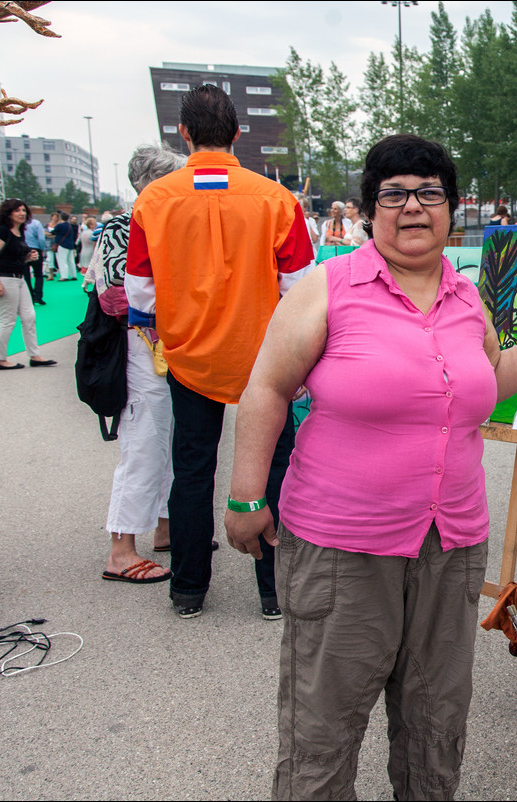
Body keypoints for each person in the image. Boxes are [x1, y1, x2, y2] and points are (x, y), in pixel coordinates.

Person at [224, 134, 517, 799]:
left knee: (434, 722)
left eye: (430, 193)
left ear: (452, 209)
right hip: (342, 549)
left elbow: (491, 383)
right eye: (394, 194)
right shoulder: (329, 287)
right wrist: (246, 497)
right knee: (323, 728)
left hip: (451, 550)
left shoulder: (468, 299)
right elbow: (267, 387)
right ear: (368, 209)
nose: (413, 207)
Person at [125, 84, 315, 620]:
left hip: (189, 357)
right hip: (264, 358)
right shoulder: (277, 200)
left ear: (182, 134)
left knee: (191, 470)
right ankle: (273, 591)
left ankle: (188, 589)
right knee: (275, 466)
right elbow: (297, 285)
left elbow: (139, 293)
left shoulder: (153, 201)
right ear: (237, 133)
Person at [91, 145, 188, 585]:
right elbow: (114, 294)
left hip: (172, 347)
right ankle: (121, 548)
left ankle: (166, 528)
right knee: (144, 441)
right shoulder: (123, 227)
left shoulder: (166, 221)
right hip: (141, 346)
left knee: (173, 436)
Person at [0, 198, 57, 370]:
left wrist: (27, 258)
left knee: (29, 317)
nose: (22, 213)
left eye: (23, 210)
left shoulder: (19, 231)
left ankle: (34, 355)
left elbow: (12, 257)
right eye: (17, 210)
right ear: (8, 213)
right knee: (7, 320)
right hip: (4, 279)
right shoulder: (1, 231)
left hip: (19, 278)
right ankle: (0, 359)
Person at [24, 212, 48, 305]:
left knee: (26, 275)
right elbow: (41, 238)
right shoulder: (36, 223)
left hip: (23, 250)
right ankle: (38, 296)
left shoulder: (19, 225)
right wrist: (42, 249)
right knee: (38, 274)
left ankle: (29, 296)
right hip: (35, 249)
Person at [52, 210, 78, 280]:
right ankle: (73, 275)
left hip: (62, 245)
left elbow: (52, 232)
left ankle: (64, 276)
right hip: (70, 245)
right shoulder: (69, 225)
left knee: (62, 260)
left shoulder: (59, 225)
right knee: (71, 261)